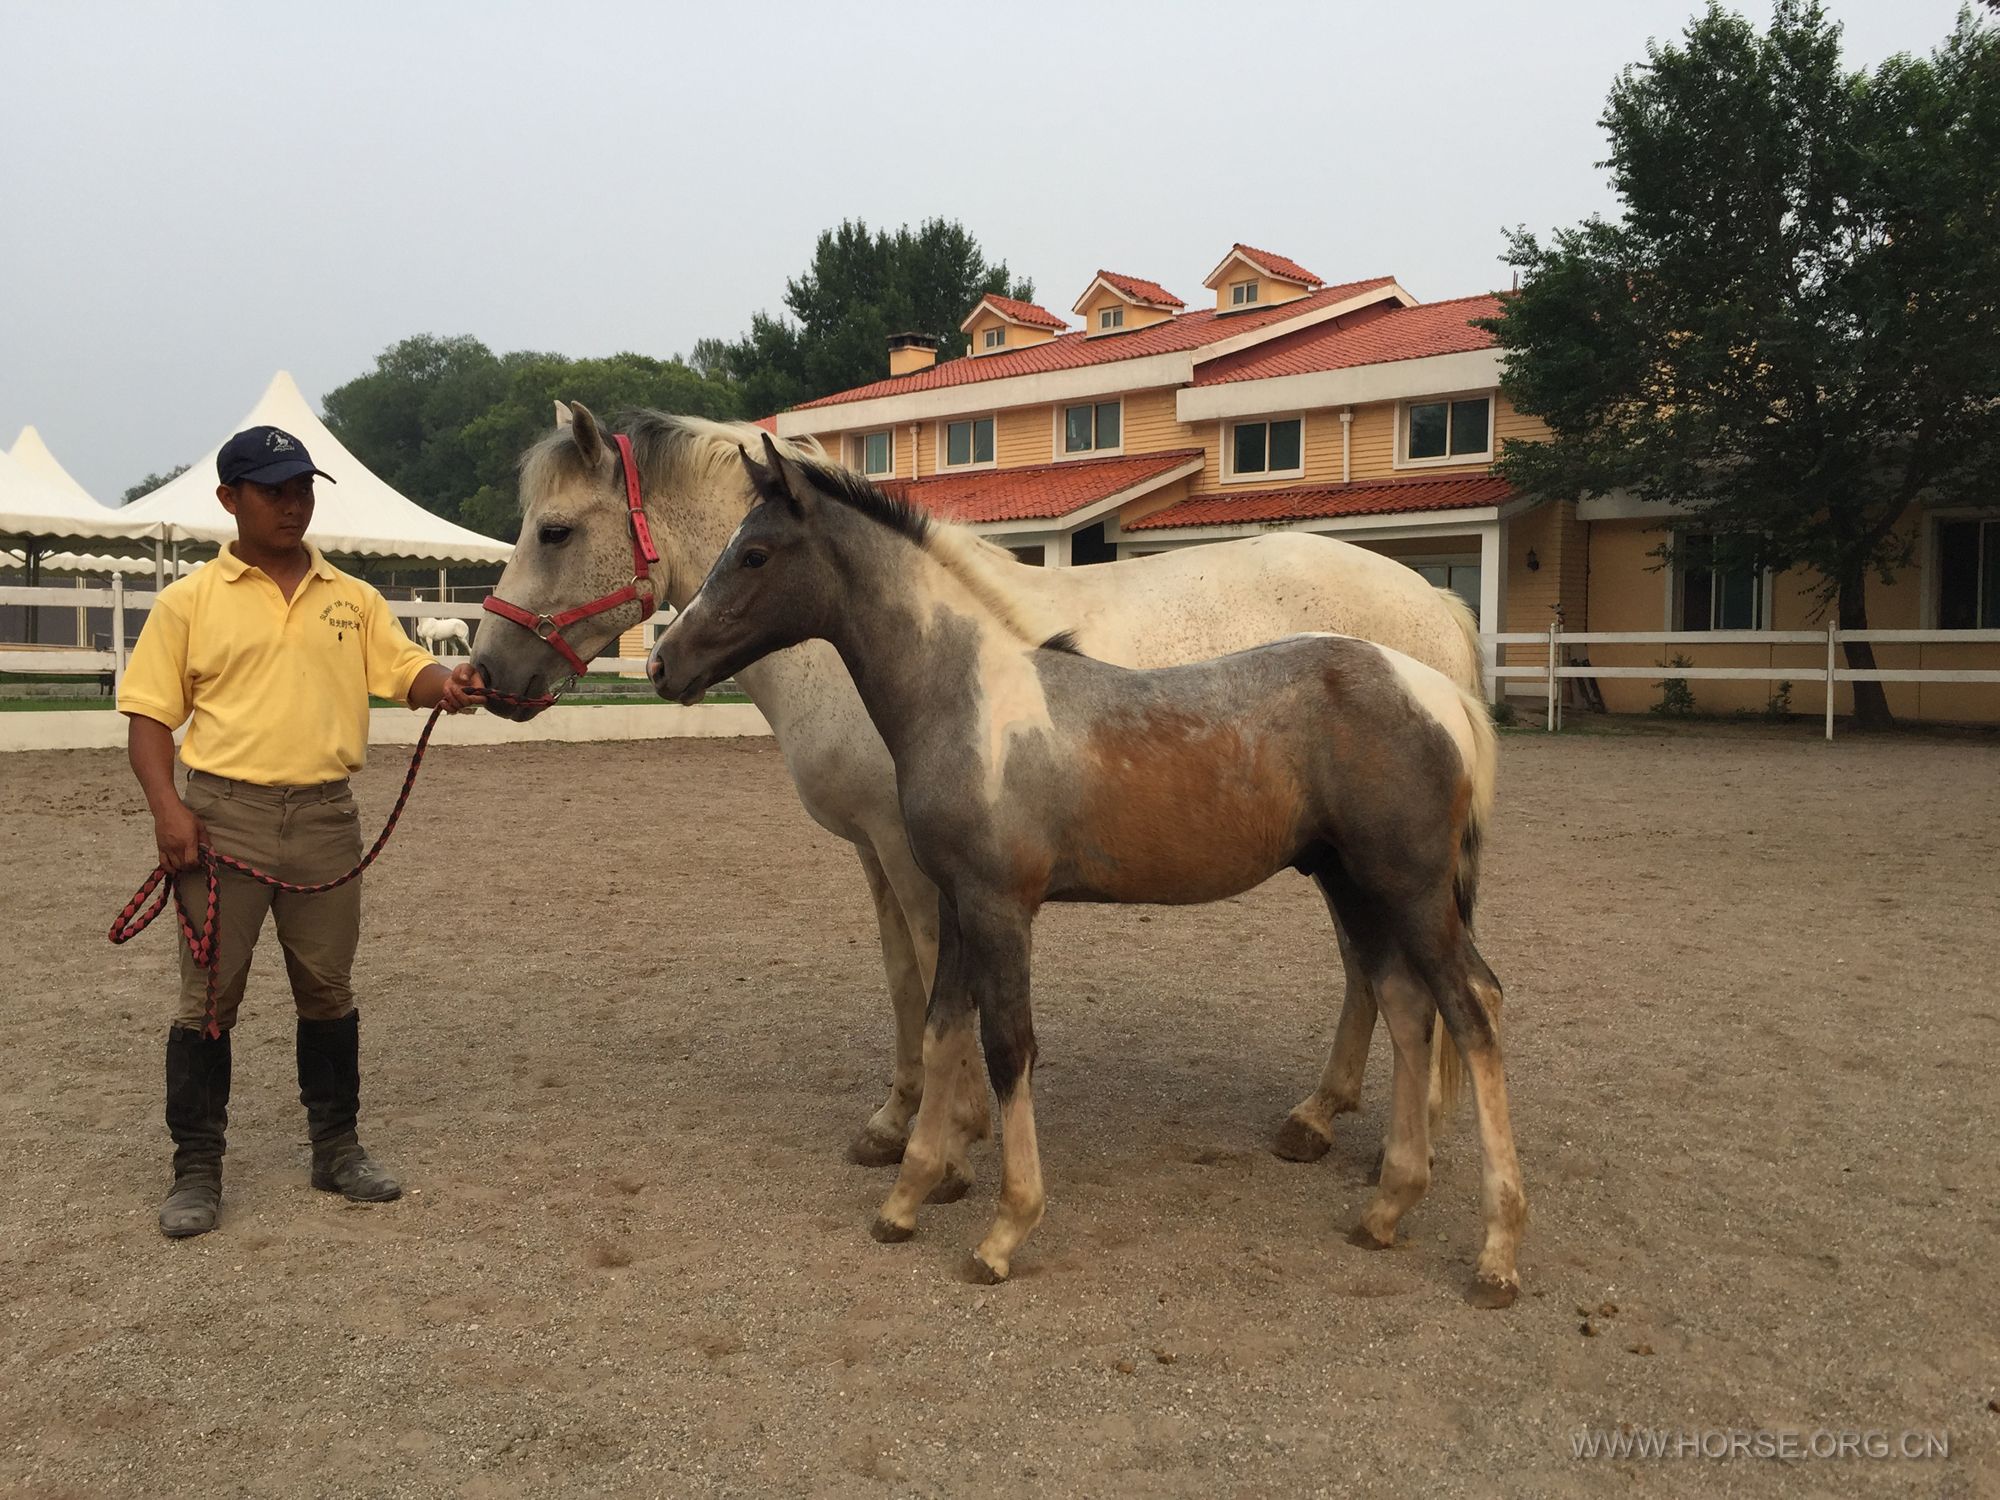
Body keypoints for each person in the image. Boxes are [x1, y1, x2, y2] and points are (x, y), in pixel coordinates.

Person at [118, 424, 481, 1238]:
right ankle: (197, 1170)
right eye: (275, 490)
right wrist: (168, 809)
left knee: (328, 989)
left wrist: (447, 681)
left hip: (325, 817)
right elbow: (147, 717)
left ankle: (337, 1147)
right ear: (229, 500)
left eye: (302, 489)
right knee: (208, 998)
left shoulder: (352, 598)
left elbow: (403, 669)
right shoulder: (189, 602)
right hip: (223, 819)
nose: (294, 504)